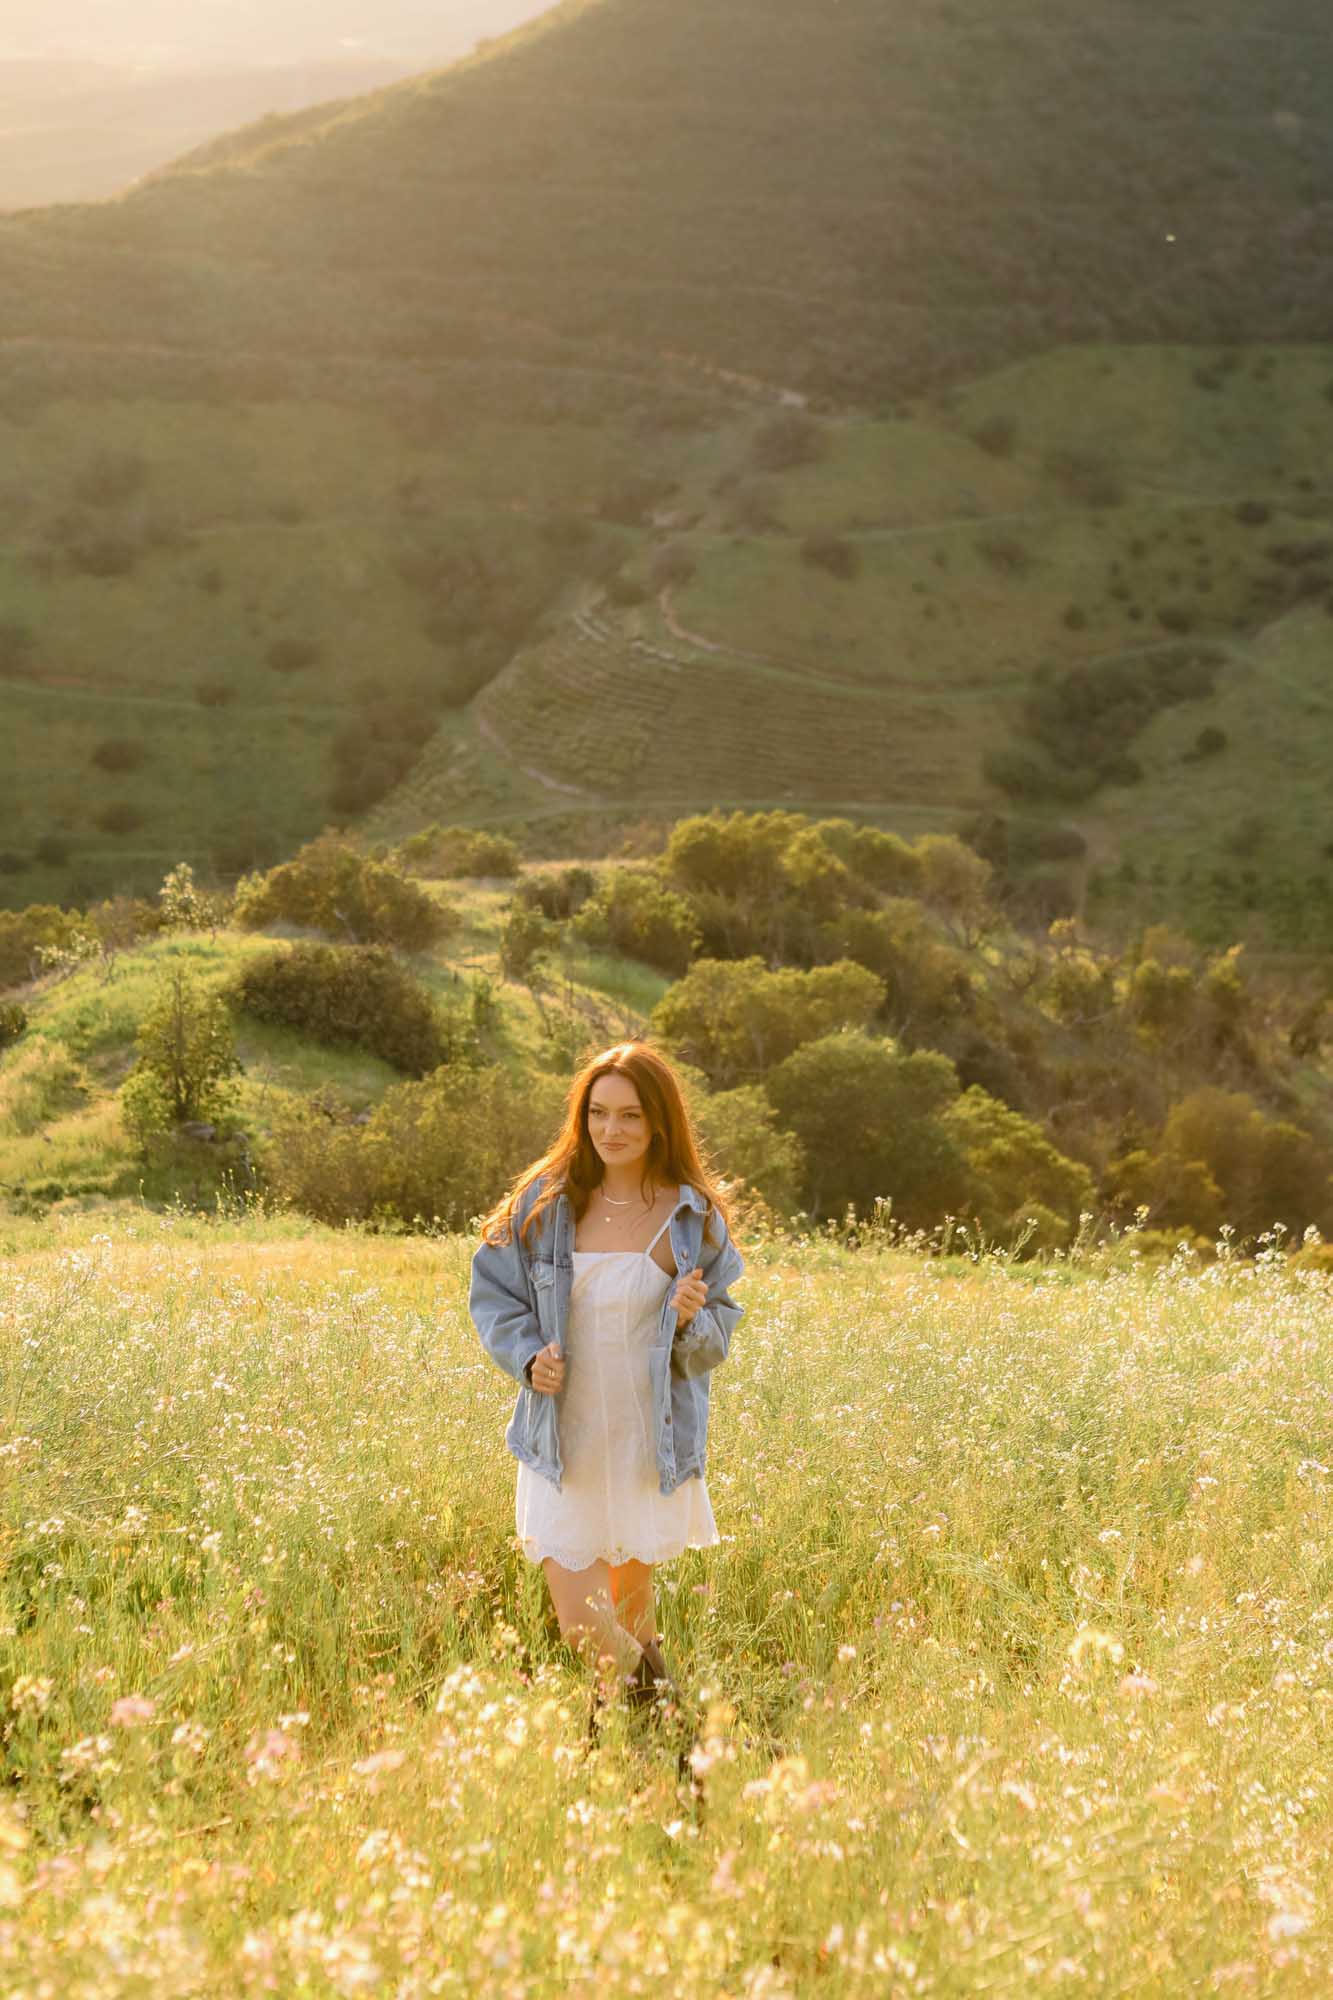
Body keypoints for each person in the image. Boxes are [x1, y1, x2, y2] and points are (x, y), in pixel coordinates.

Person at [469, 1039, 746, 1741]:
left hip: (646, 1445)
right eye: (597, 1113)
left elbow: (715, 1339)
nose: (611, 1130)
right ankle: (683, 1740)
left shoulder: (692, 1219)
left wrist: (689, 1320)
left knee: (630, 1622)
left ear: (658, 1122)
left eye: (628, 1115)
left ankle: (626, 1768)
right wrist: (528, 1357)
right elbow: (494, 1298)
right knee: (580, 1624)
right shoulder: (546, 1203)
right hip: (563, 1441)